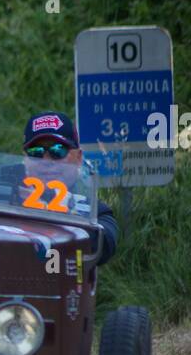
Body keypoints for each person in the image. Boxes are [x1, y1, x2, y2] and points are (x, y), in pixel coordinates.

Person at [20, 111, 118, 265]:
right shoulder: (0, 194)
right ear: (25, 158)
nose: (46, 161)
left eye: (58, 151)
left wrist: (67, 215)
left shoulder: (94, 211)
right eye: (36, 152)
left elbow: (106, 244)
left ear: (78, 157)